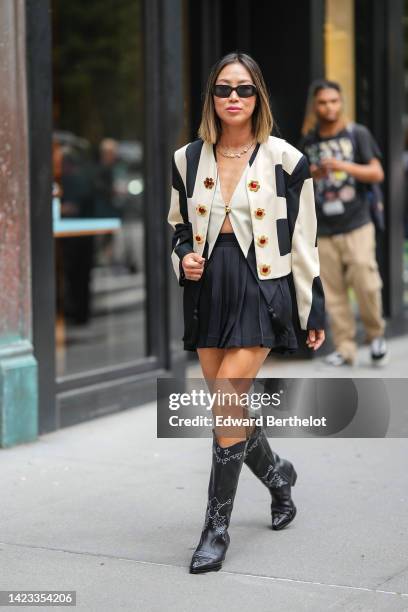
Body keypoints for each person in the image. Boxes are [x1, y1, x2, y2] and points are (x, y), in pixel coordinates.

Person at [167, 52, 325, 574]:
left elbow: (304, 241)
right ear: (211, 97)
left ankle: (216, 528)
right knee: (227, 409)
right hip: (210, 286)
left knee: (226, 402)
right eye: (222, 89)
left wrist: (312, 308)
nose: (233, 97)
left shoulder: (287, 159)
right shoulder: (186, 159)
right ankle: (278, 475)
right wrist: (183, 257)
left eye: (244, 89)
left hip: (265, 283)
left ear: (259, 97)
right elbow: (177, 228)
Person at [299, 79, 387, 367]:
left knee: (366, 281)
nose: (329, 107)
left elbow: (376, 173)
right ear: (315, 106)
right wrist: (314, 174)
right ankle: (345, 348)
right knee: (333, 293)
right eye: (323, 102)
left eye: (334, 101)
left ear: (341, 102)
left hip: (357, 221)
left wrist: (342, 166)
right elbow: (296, 184)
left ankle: (375, 335)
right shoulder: (309, 141)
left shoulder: (356, 134)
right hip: (323, 227)